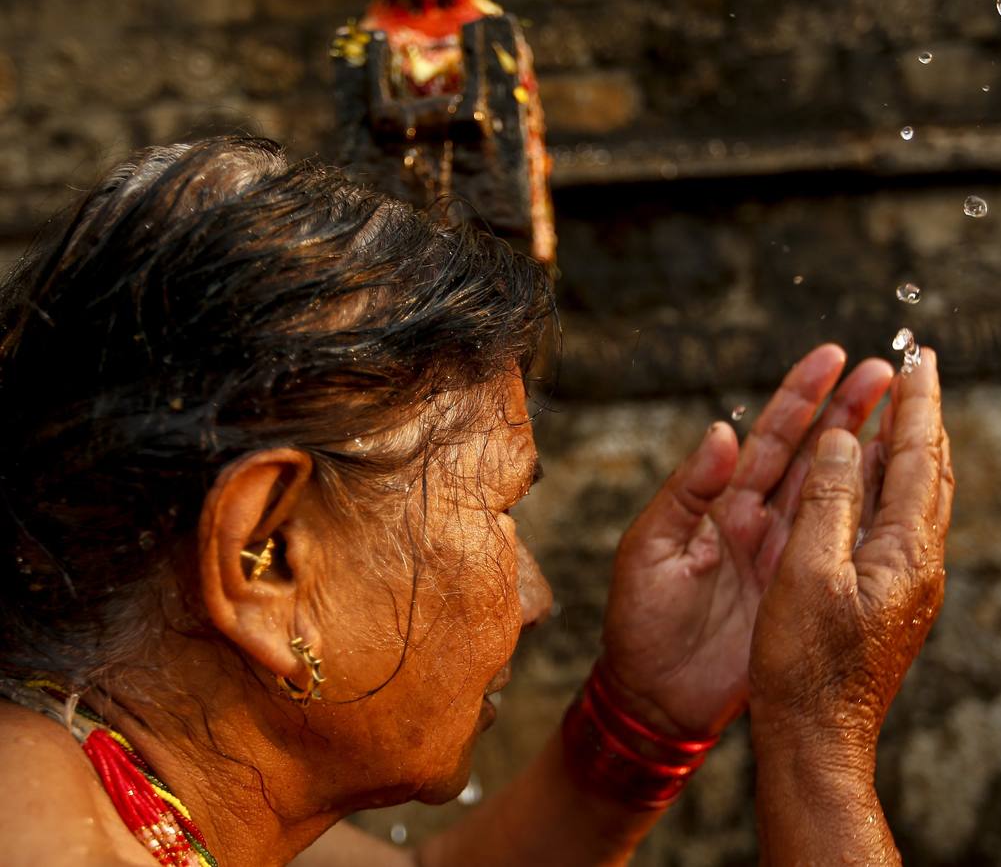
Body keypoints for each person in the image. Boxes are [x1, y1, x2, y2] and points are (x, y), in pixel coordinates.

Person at [0, 136, 952, 867]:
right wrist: (819, 739)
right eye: (500, 512)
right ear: (269, 555)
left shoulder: (117, 790)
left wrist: (644, 722)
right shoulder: (38, 820)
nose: (535, 597)